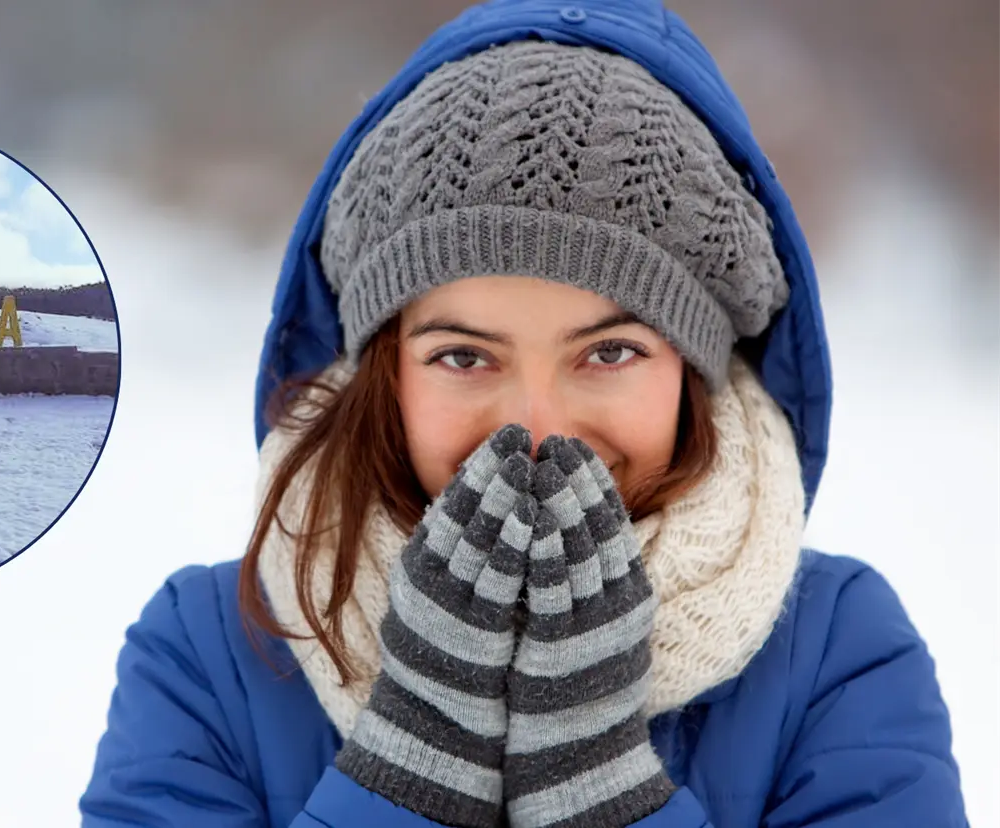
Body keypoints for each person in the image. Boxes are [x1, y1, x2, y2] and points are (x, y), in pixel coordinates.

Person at [79, 1, 969, 826]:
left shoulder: (833, 653)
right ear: (381, 374)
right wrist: (409, 773)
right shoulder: (210, 653)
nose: (537, 430)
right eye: (463, 357)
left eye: (609, 353)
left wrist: (603, 790)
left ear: (694, 373)